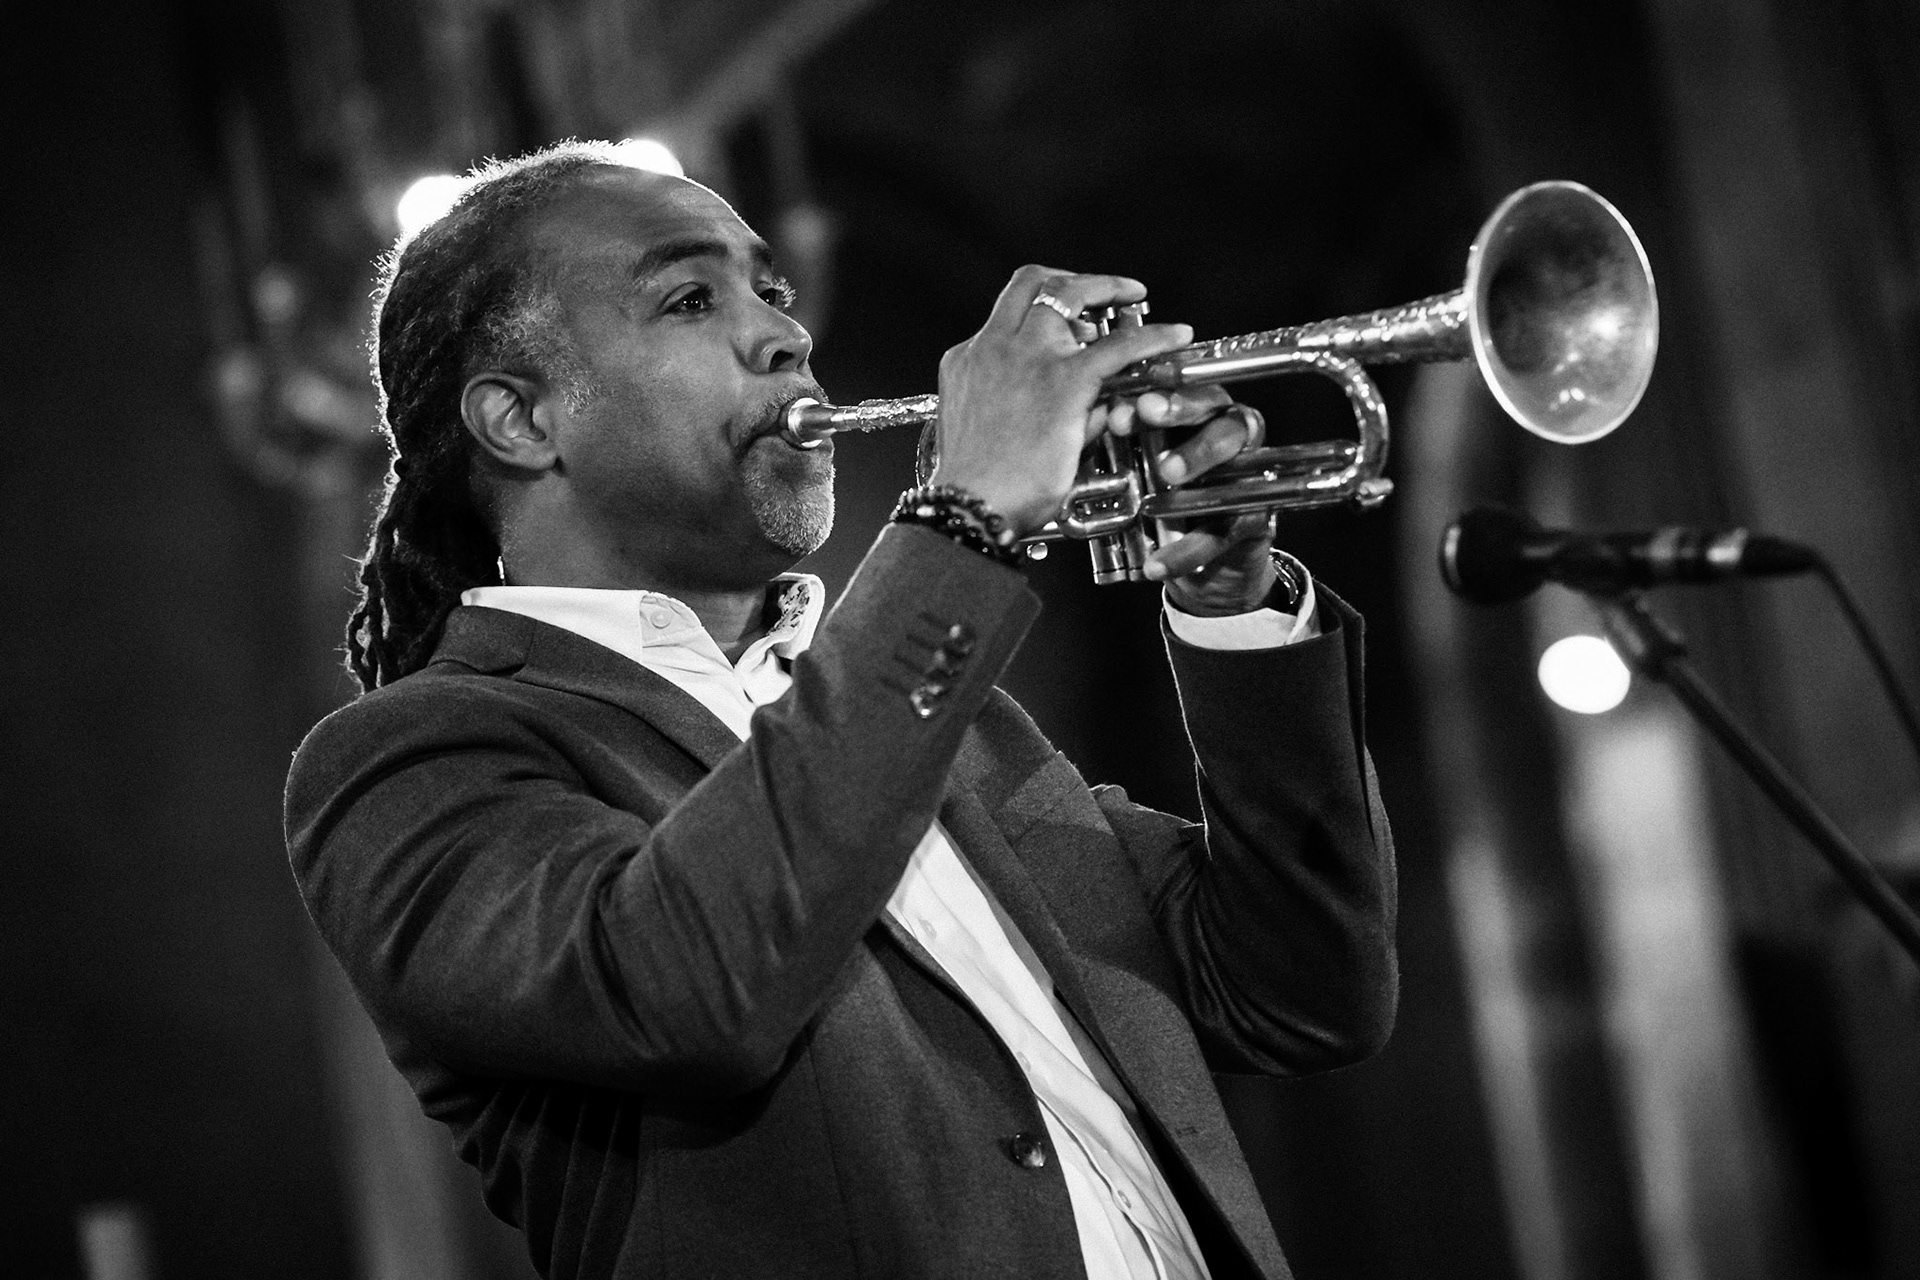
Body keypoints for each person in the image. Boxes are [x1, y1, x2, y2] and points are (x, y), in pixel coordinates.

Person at [285, 139, 1397, 1280]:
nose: (787, 334)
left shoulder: (947, 711)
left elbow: (1299, 994)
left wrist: (1234, 603)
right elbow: (684, 986)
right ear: (521, 421)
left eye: (771, 289)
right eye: (687, 299)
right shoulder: (412, 760)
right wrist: (965, 523)